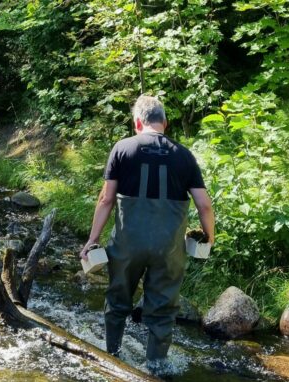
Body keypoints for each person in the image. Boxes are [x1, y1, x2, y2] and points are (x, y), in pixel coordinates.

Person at [80, 95, 215, 373]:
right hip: (169, 249)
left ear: (137, 122)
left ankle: (112, 360)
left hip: (127, 245)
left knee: (118, 302)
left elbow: (106, 199)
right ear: (164, 122)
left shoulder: (123, 148)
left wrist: (93, 239)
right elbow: (204, 204)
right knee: (163, 310)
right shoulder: (184, 155)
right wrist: (208, 238)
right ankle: (156, 368)